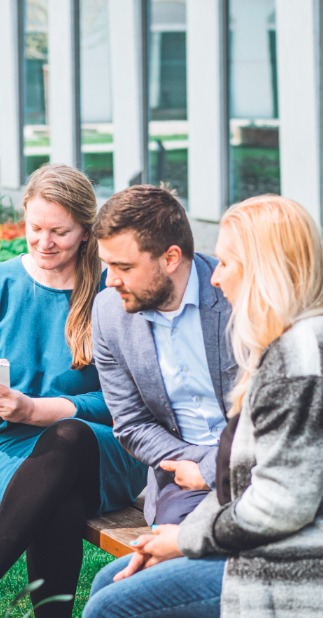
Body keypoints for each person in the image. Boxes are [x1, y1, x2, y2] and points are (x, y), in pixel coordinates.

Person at [83, 195, 323, 618]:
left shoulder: (304, 356)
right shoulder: (291, 345)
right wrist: (179, 539)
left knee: (107, 612)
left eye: (226, 263)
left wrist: (186, 539)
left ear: (263, 270)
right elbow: (247, 484)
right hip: (291, 548)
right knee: (107, 583)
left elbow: (279, 505)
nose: (214, 276)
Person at [0, 165, 147, 618]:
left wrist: (36, 410)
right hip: (8, 448)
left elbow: (126, 402)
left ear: (85, 232)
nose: (44, 242)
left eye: (59, 232)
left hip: (103, 448)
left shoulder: (110, 291)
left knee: (68, 435)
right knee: (59, 501)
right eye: (35, 228)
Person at [91, 185, 237, 526]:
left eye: (123, 267)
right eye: (106, 265)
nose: (110, 281)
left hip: (261, 463)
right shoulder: (109, 312)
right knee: (173, 542)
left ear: (170, 259)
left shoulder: (236, 295)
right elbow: (132, 424)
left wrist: (220, 468)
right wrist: (203, 466)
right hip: (181, 475)